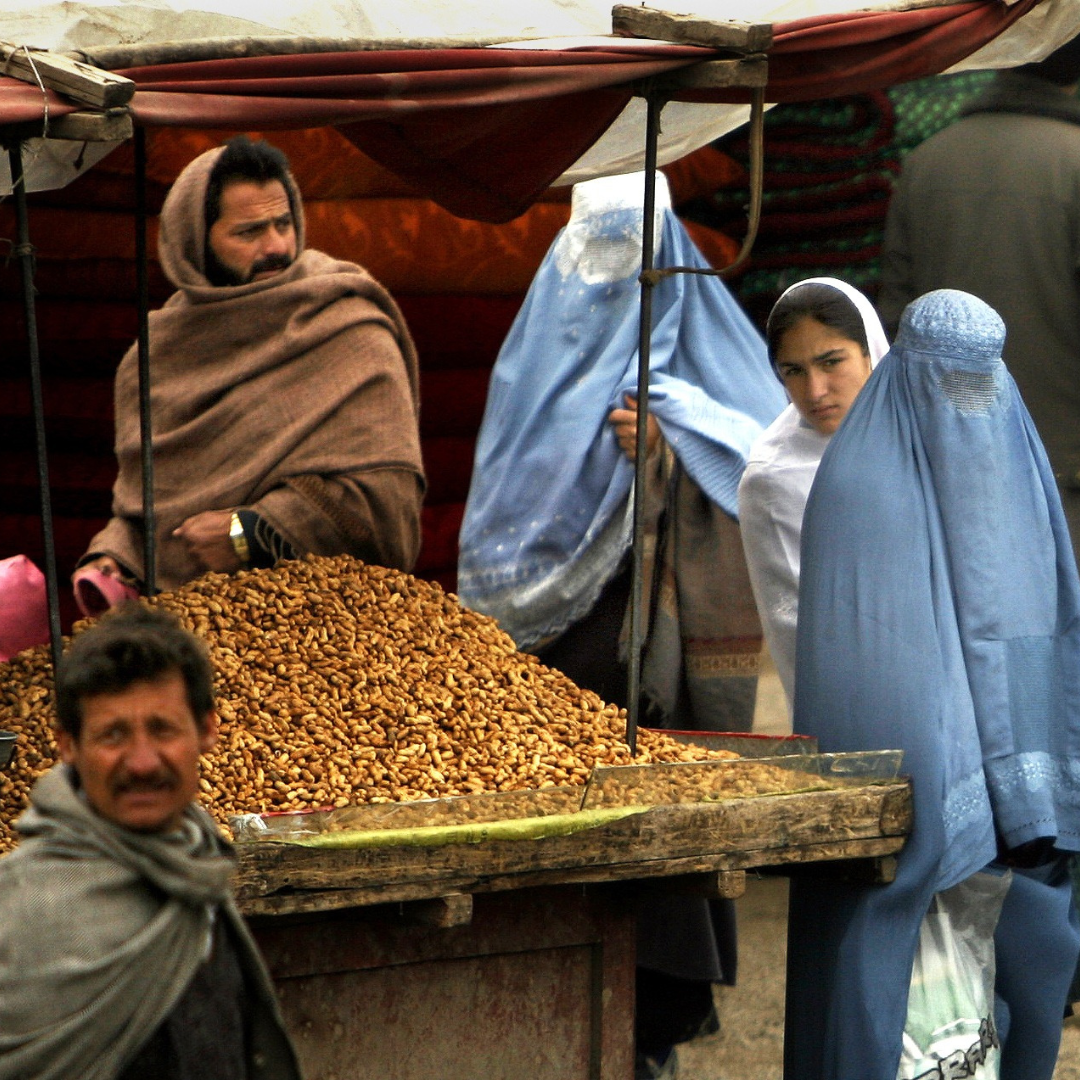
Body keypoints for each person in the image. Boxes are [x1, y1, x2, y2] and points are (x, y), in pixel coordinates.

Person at [458, 170, 786, 1079]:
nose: (610, 270)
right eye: (594, 244)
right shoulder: (536, 355)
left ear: (669, 253)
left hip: (653, 687)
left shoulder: (705, 342)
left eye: (631, 248)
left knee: (649, 924)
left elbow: (774, 467)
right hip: (542, 678)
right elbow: (501, 509)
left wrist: (669, 461)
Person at [786, 289, 1080, 1080]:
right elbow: (883, 681)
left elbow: (1031, 632)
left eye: (981, 382)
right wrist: (963, 804)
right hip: (914, 808)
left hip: (1005, 827)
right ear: (905, 371)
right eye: (948, 382)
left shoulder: (1016, 468)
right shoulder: (862, 491)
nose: (968, 404)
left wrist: (1024, 793)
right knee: (875, 999)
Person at [73, 135, 424, 603]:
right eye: (249, 232)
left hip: (331, 628)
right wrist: (113, 557)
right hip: (189, 637)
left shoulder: (347, 326)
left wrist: (249, 532)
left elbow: (388, 512)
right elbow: (147, 511)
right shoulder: (155, 358)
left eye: (283, 223)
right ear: (195, 241)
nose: (276, 245)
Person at [0, 603, 302, 1079]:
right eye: (113, 735)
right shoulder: (21, 911)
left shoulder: (199, 864)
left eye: (162, 730)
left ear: (207, 730)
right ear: (68, 746)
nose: (141, 762)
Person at [878, 33, 1080, 565]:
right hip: (1064, 468)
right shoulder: (1075, 161)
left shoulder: (926, 161)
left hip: (948, 459)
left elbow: (894, 319)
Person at [737, 278, 888, 716]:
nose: (815, 391)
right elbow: (800, 628)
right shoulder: (773, 478)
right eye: (793, 371)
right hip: (857, 700)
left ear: (870, 354)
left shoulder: (923, 434)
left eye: (831, 362)